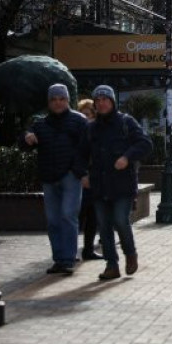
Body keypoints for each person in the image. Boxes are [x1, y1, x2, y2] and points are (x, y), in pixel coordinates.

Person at [87, 85, 152, 281]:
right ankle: (111, 265)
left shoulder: (126, 122)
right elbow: (81, 153)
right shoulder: (91, 128)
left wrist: (127, 157)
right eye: (97, 101)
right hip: (99, 184)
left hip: (122, 185)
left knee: (120, 220)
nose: (101, 103)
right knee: (104, 226)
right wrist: (82, 174)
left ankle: (130, 254)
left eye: (105, 99)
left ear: (112, 102)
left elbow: (145, 143)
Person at [23, 83, 89, 275]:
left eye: (62, 99)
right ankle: (59, 258)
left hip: (70, 176)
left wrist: (78, 171)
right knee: (53, 220)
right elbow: (25, 143)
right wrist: (27, 137)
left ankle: (68, 259)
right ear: (49, 102)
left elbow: (87, 148)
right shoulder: (41, 123)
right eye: (54, 99)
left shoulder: (79, 121)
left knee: (68, 215)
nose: (58, 103)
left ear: (68, 100)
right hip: (49, 177)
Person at [76, 98, 102, 261]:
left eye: (90, 114)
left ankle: (88, 249)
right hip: (81, 177)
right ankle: (70, 250)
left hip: (96, 177)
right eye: (83, 114)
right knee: (77, 215)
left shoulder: (98, 130)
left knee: (93, 216)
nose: (86, 118)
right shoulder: (78, 131)